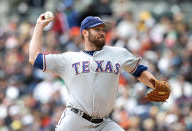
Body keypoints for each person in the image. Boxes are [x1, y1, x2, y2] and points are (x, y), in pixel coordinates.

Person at [29, 14, 165, 131]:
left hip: (103, 123)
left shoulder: (118, 53)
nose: (102, 32)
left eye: (102, 29)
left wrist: (157, 86)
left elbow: (140, 72)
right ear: (85, 33)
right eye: (97, 29)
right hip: (75, 120)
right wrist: (39, 26)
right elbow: (34, 59)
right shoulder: (68, 59)